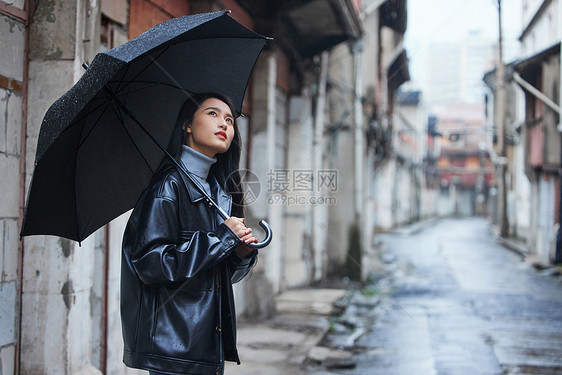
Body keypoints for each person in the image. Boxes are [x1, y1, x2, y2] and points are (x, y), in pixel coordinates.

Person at [120, 93, 259, 375]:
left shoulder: (218, 193)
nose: (224, 124)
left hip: (207, 344)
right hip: (174, 348)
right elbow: (150, 264)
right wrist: (221, 239)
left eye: (230, 119)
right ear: (187, 124)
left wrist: (241, 254)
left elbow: (216, 277)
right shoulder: (168, 187)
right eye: (212, 114)